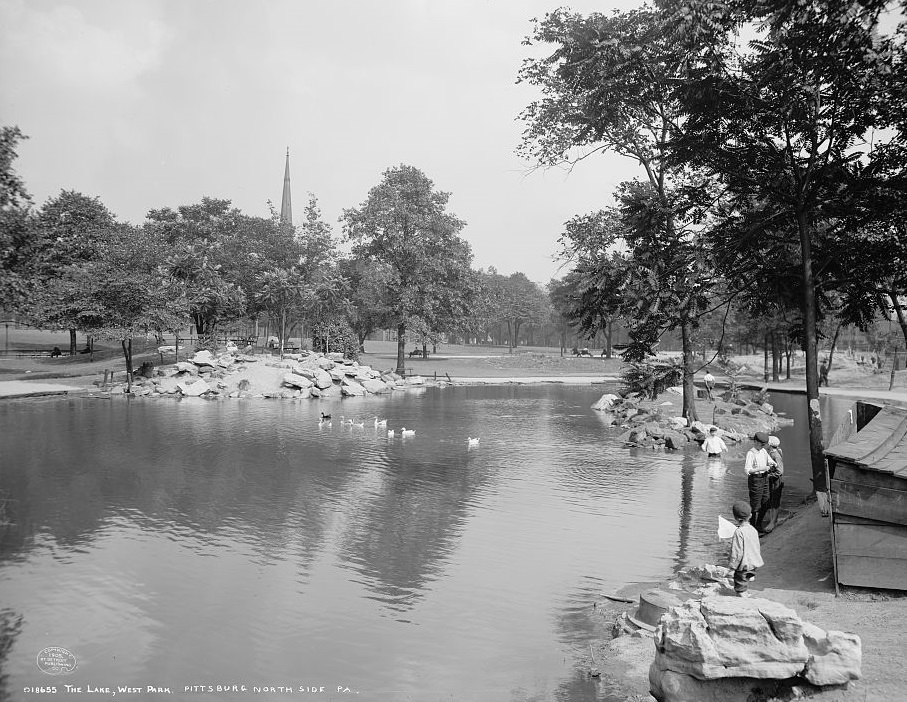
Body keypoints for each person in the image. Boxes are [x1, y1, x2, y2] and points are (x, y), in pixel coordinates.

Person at [728, 501, 764, 597]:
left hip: (744, 566)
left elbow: (737, 552)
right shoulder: (753, 530)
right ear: (751, 515)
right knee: (745, 581)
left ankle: (743, 599)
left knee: (740, 588)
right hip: (753, 564)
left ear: (736, 518)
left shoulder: (739, 532)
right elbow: (756, 546)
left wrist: (732, 567)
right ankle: (749, 581)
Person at [744, 432, 776, 532]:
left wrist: (773, 464)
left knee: (766, 501)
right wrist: (761, 468)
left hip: (765, 478)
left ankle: (758, 524)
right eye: (761, 444)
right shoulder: (751, 453)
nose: (762, 446)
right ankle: (752, 526)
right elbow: (747, 470)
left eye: (763, 444)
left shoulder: (763, 451)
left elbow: (770, 461)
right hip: (755, 479)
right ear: (755, 442)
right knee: (755, 504)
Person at [762, 436, 785, 532]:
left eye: (767, 443)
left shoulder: (775, 455)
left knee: (775, 501)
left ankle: (773, 522)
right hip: (772, 481)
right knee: (771, 500)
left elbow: (780, 471)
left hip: (776, 481)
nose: (765, 444)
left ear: (770, 445)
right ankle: (771, 519)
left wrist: (768, 476)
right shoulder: (771, 453)